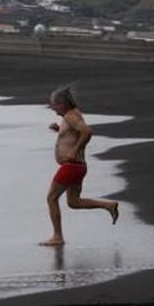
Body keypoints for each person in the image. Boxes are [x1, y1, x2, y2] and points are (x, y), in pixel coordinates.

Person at [41, 84, 119, 246]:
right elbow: (75, 132)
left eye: (54, 104)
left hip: (71, 166)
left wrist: (75, 150)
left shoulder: (70, 116)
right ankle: (108, 205)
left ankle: (57, 236)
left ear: (63, 104)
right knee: (74, 202)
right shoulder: (69, 116)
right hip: (77, 166)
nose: (52, 108)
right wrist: (59, 130)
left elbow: (87, 131)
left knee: (51, 198)